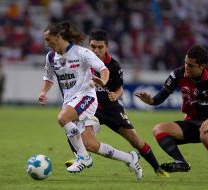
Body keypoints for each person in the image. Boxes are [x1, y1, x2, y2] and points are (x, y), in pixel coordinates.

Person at [38, 21, 143, 180]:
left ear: (58, 37)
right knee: (91, 145)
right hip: (70, 102)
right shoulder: (51, 56)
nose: (46, 43)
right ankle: (129, 158)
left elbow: (103, 69)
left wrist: (103, 81)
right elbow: (49, 77)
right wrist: (43, 92)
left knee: (62, 118)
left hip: (86, 97)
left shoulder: (81, 53)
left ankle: (83, 158)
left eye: (48, 39)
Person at [65, 29, 168, 177]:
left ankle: (157, 168)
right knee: (74, 129)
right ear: (89, 46)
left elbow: (120, 88)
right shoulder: (82, 61)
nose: (96, 50)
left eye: (100, 47)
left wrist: (116, 94)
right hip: (91, 108)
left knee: (135, 140)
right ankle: (81, 157)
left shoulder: (113, 66)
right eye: (93, 47)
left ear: (107, 47)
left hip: (110, 108)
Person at [135, 45, 208, 184]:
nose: (186, 68)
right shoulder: (178, 74)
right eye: (185, 63)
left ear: (201, 66)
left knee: (205, 135)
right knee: (158, 129)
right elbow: (161, 97)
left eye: (190, 65)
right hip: (192, 121)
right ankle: (181, 162)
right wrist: (151, 100)